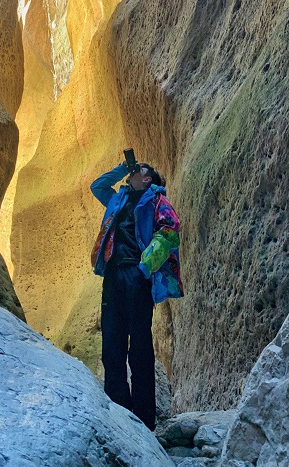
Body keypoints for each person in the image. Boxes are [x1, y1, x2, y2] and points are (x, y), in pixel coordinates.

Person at [90, 160, 183, 431]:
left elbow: (170, 230)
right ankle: (119, 413)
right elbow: (97, 186)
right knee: (111, 344)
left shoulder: (156, 200)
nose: (134, 171)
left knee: (140, 347)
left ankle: (144, 420)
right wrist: (121, 166)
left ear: (148, 180)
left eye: (139, 169)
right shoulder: (117, 199)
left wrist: (145, 265)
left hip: (136, 276)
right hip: (113, 277)